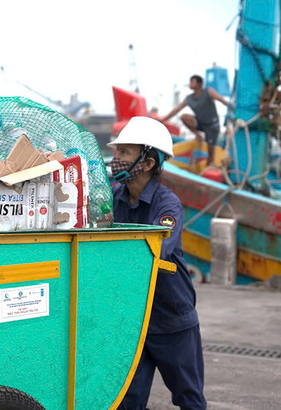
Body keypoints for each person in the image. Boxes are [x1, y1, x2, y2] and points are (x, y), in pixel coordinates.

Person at [108, 116, 206, 410]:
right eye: (117, 151)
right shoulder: (112, 197)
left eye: (124, 152)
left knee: (189, 399)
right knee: (126, 402)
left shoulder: (167, 204)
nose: (116, 159)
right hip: (131, 320)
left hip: (170, 317)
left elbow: (158, 249)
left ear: (148, 162)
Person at [159, 75, 228, 166]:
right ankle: (198, 135)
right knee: (184, 117)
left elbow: (222, 100)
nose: (190, 84)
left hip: (212, 126)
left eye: (192, 82)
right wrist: (164, 119)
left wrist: (233, 109)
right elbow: (177, 109)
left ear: (199, 84)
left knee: (210, 151)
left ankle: (209, 166)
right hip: (200, 123)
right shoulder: (189, 98)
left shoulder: (208, 91)